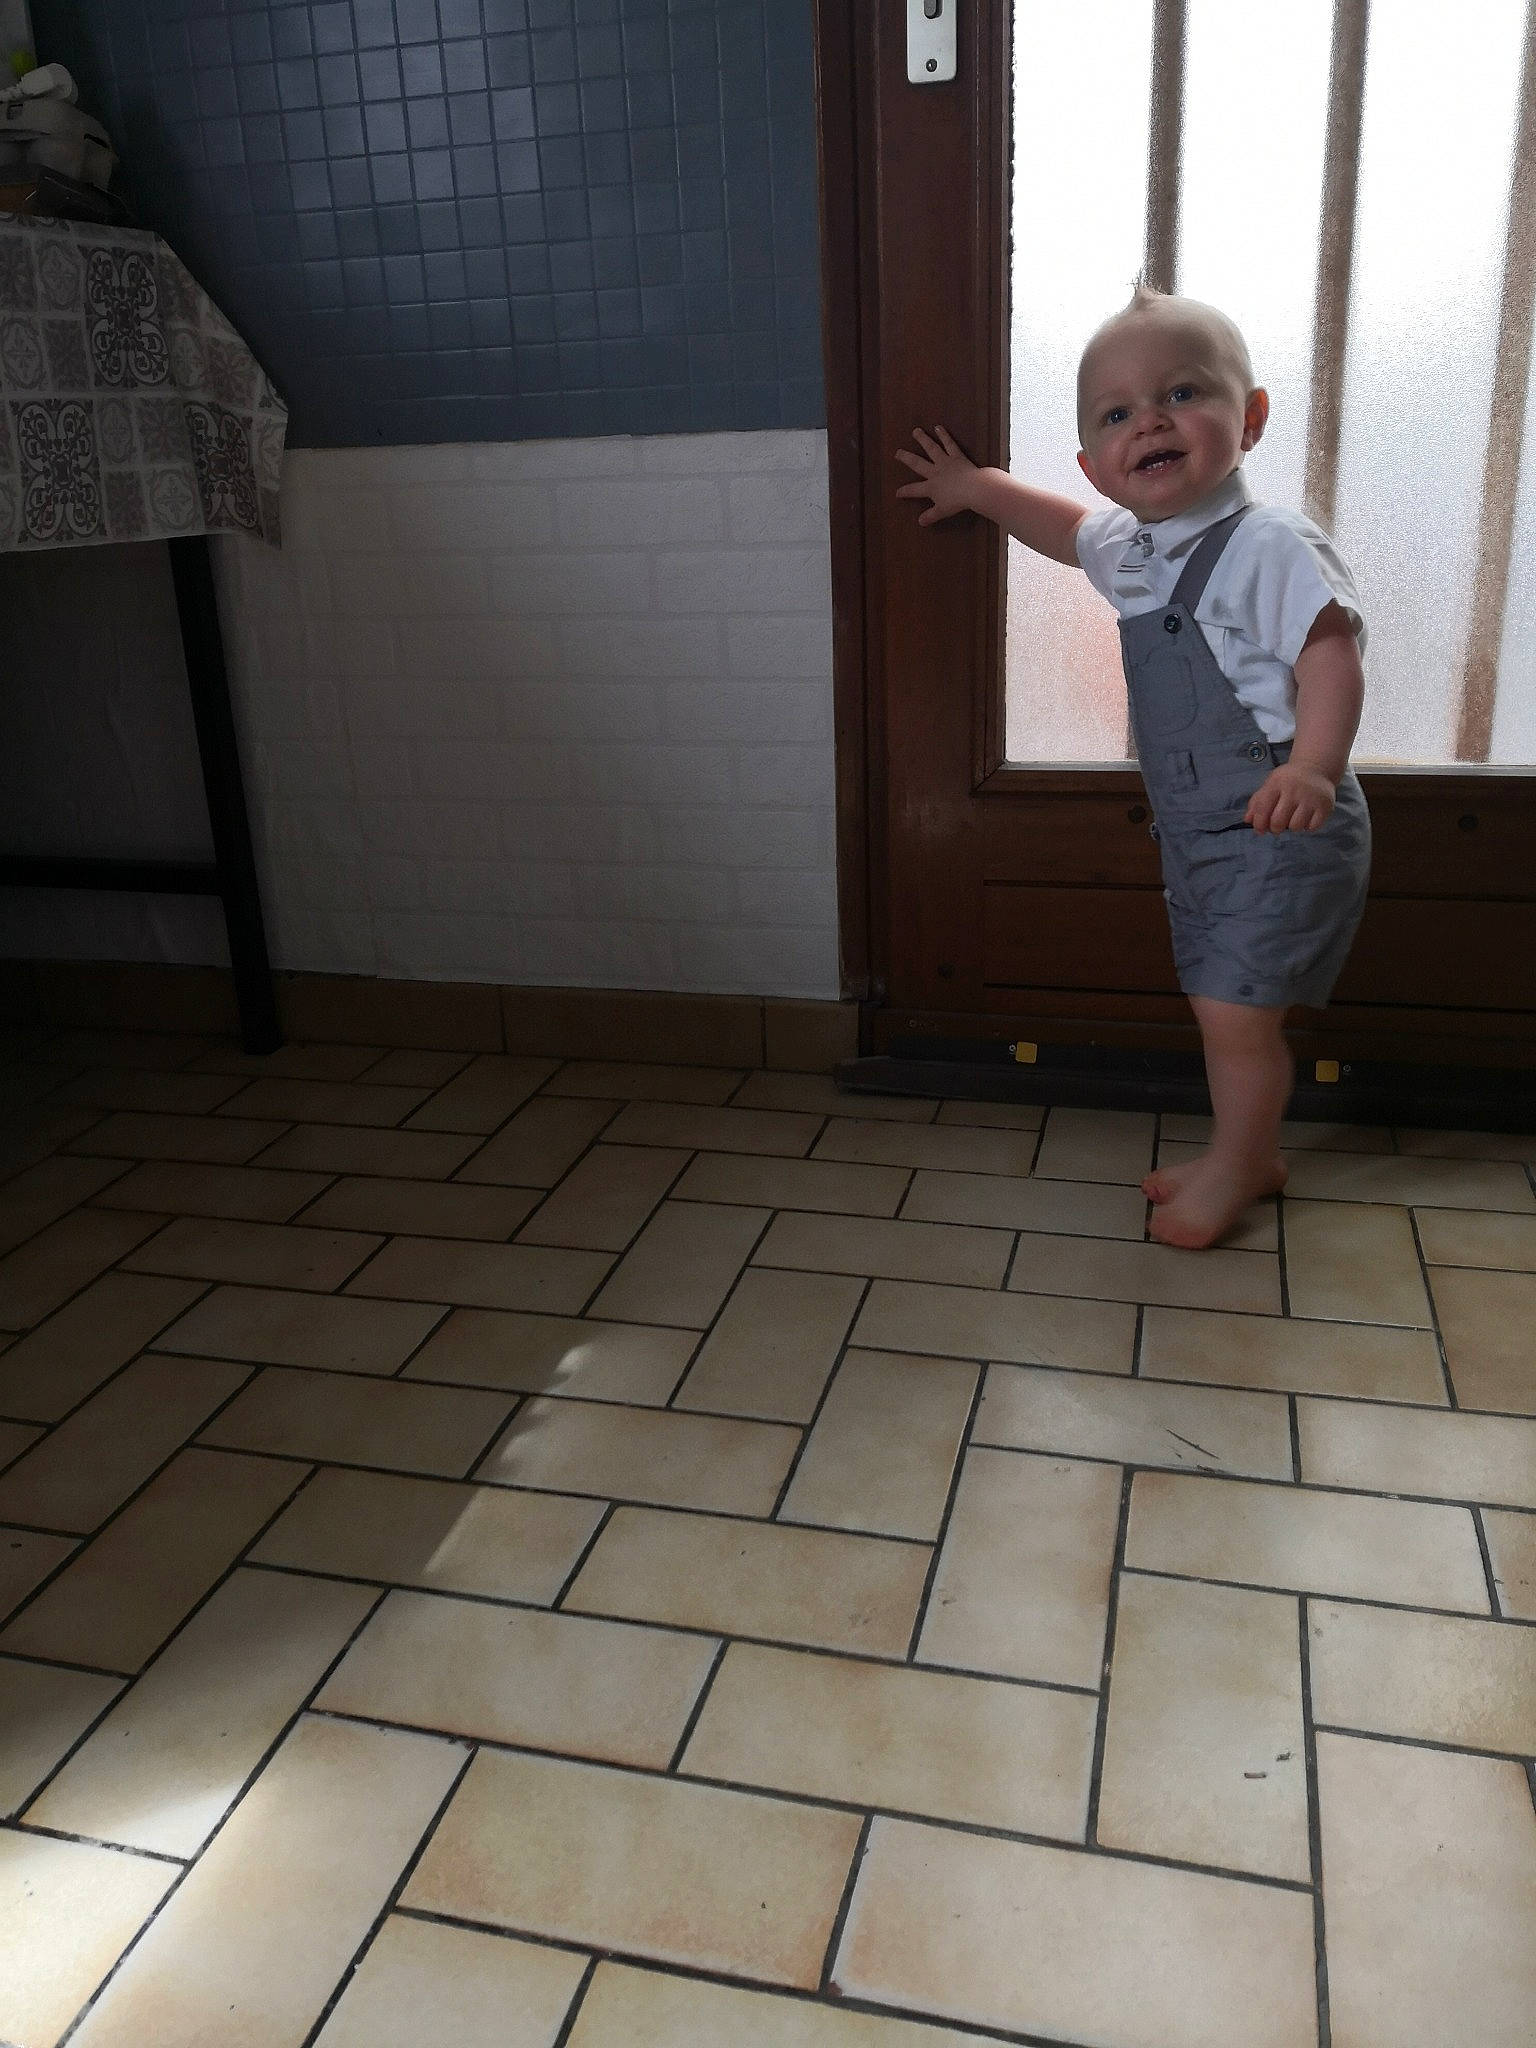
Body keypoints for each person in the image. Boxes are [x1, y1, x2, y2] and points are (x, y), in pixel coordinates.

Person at [895, 286, 1371, 1249]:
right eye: (1117, 414)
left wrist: (1316, 767)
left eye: (1183, 392)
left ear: (1252, 417)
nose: (1150, 419)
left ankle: (1240, 1165)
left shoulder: (1268, 543)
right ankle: (1249, 1149)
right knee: (1219, 999)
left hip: (1282, 817)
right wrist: (977, 489)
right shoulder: (1135, 547)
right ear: (1096, 463)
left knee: (1235, 1012)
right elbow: (1064, 532)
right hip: (1201, 830)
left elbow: (1330, 651)